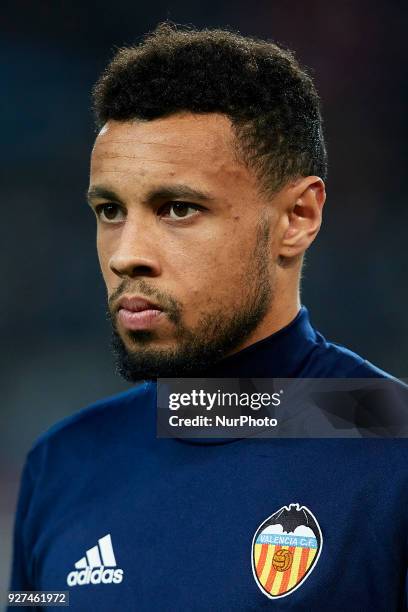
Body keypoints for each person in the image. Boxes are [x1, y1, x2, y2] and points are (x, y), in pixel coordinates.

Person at [9, 23, 407, 611]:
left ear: (297, 217)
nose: (126, 255)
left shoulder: (393, 444)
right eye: (110, 209)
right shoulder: (62, 464)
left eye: (177, 208)